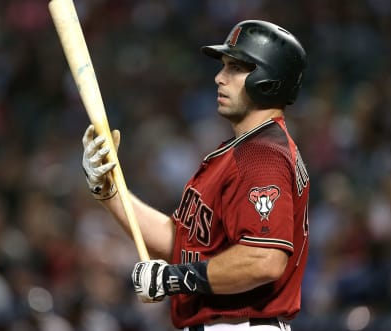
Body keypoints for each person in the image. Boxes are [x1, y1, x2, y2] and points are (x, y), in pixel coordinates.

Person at [82, 20, 310, 331]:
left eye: (234, 68)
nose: (219, 78)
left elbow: (263, 259)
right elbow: (179, 242)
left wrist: (173, 278)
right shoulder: (241, 152)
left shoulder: (262, 155)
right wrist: (110, 192)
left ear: (267, 80)